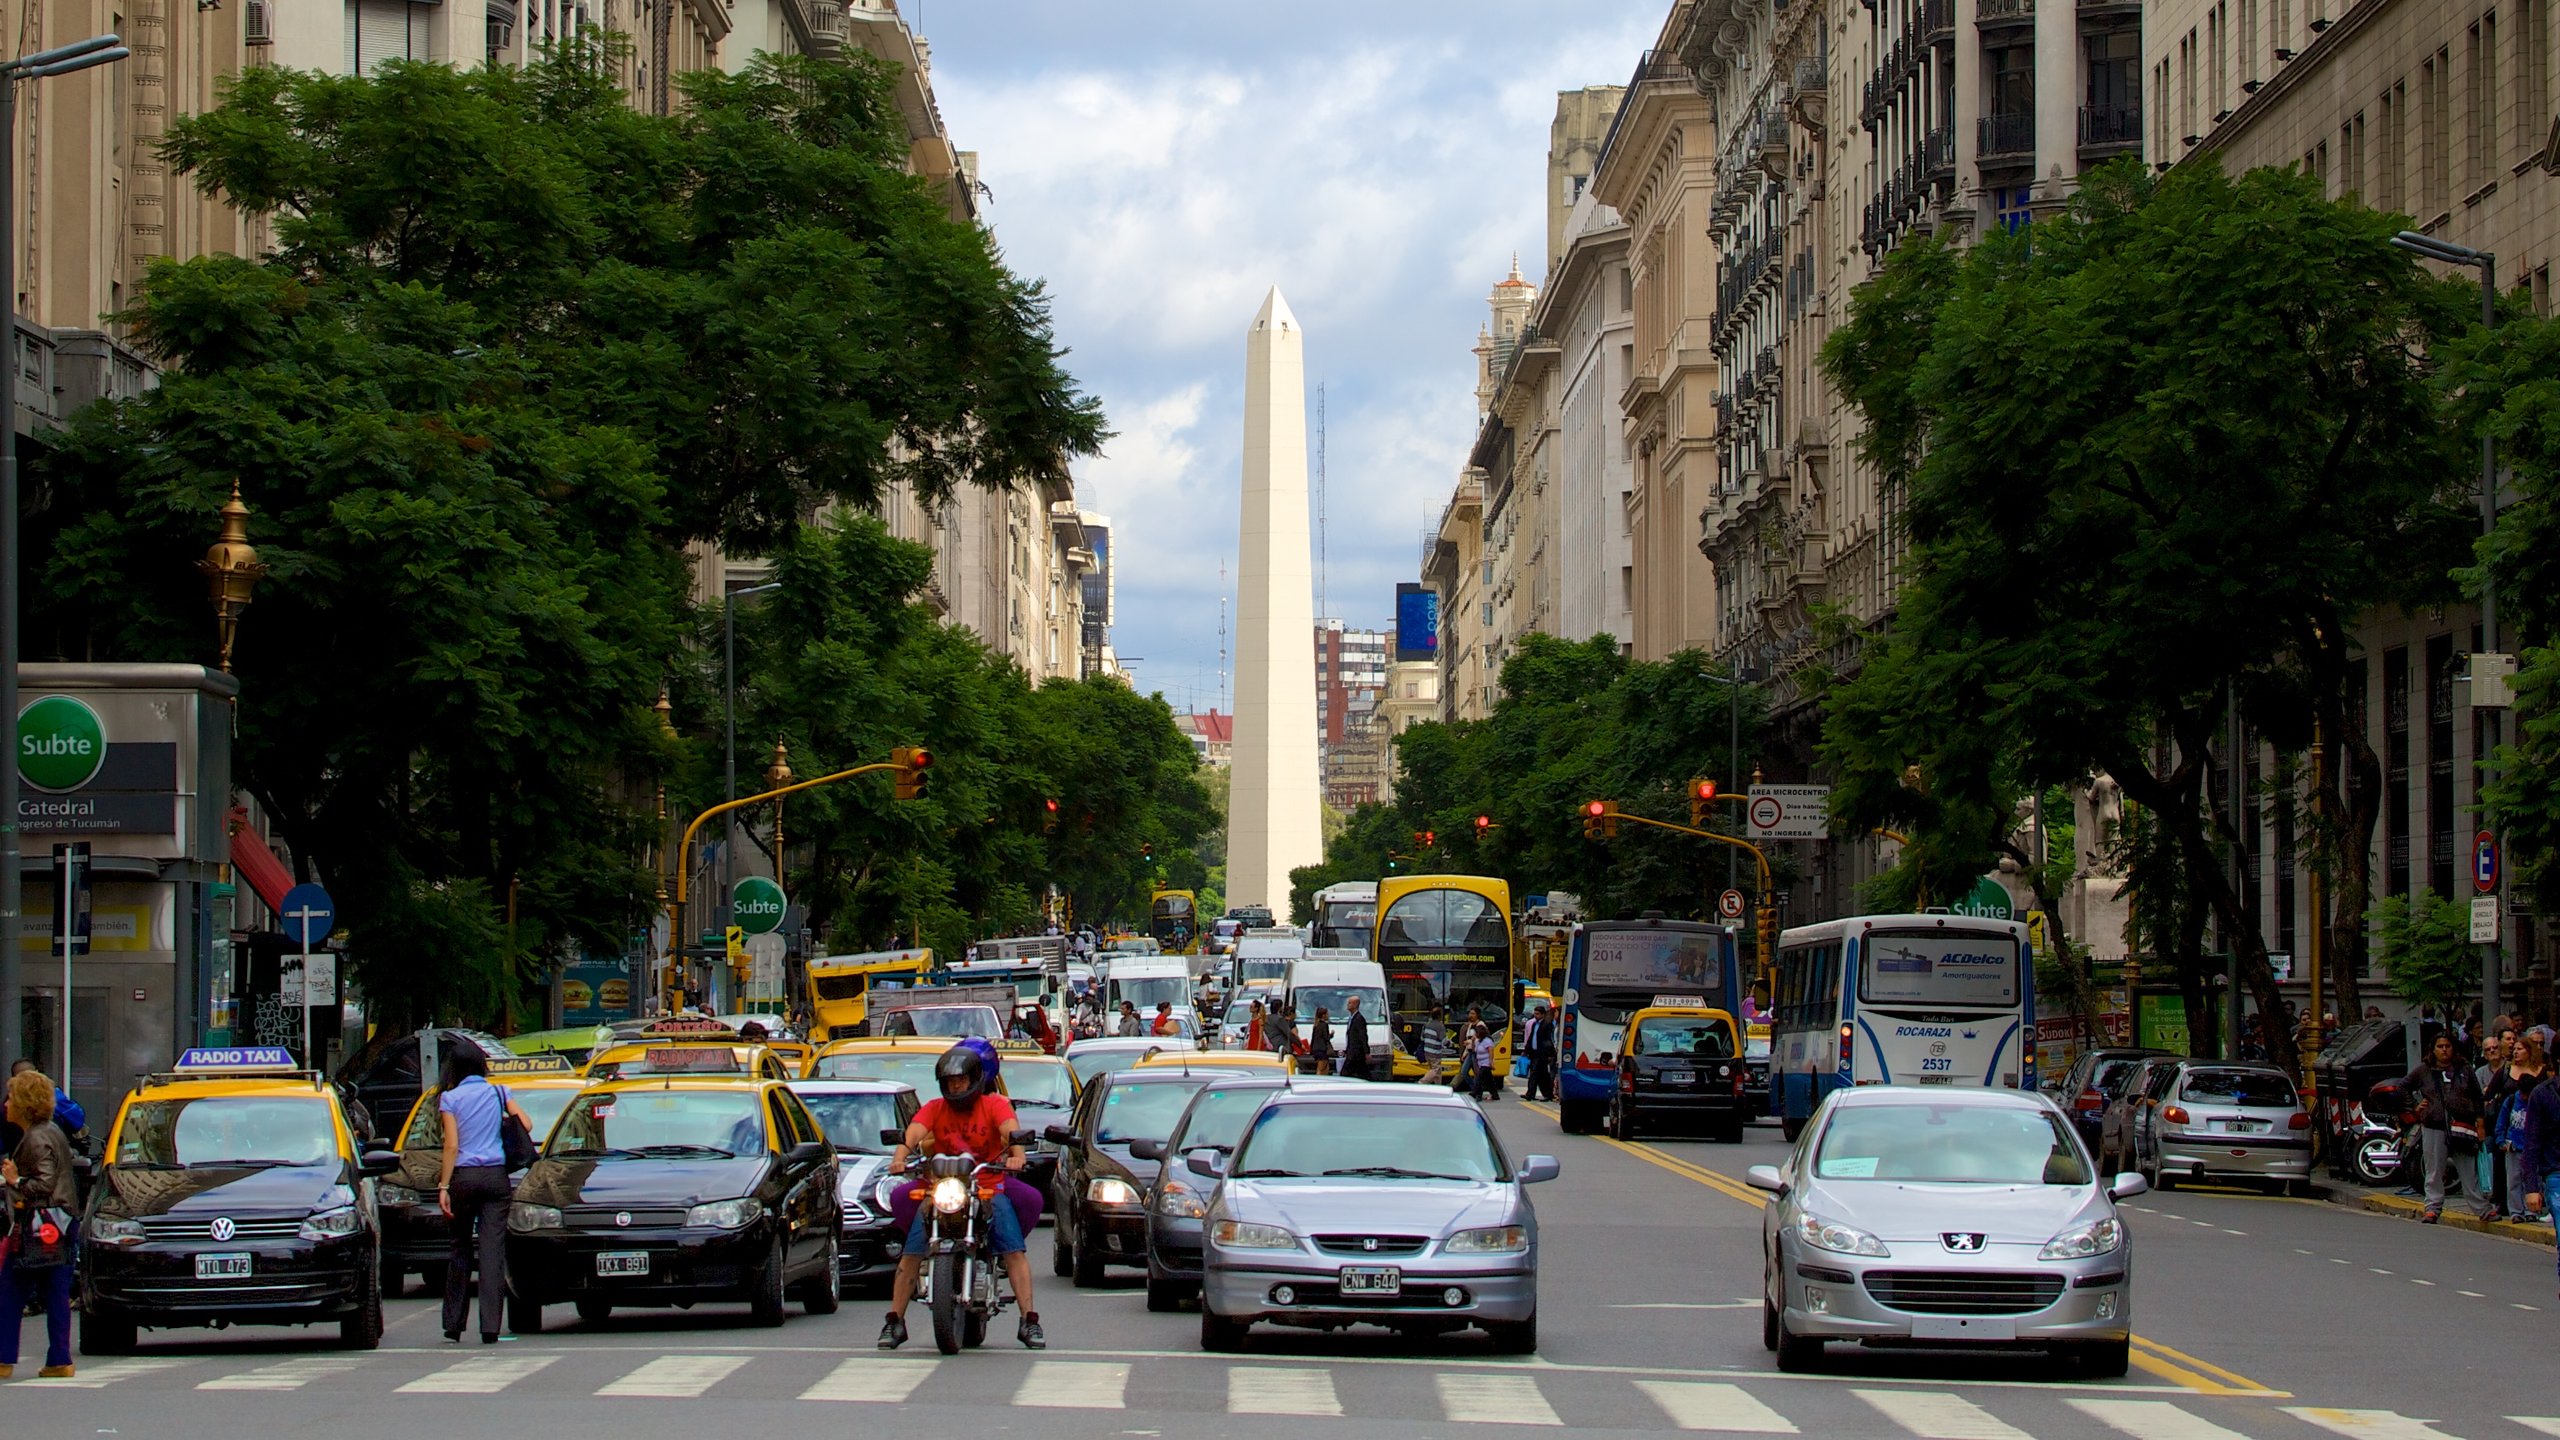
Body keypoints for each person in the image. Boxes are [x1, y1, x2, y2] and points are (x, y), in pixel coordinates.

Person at [880, 1041, 1042, 1350]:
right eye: (950, 1082)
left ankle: (1029, 1320)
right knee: (912, 1252)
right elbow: (914, 1132)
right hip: (942, 1188)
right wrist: (899, 1157)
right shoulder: (935, 1108)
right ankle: (894, 1321)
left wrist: (1016, 1155)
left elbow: (1010, 1131)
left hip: (987, 1186)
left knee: (1014, 1251)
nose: (955, 1087)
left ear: (975, 1080)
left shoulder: (994, 1104)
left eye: (961, 1081)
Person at [436, 1045, 533, 1344]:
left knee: (460, 1248)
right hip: (495, 1177)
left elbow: (451, 1146)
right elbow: (526, 1125)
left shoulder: (449, 1099)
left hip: (463, 1178)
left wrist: (444, 1186)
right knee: (493, 1251)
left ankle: (453, 1324)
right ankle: (490, 1326)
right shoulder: (499, 1092)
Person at [0, 1067, 78, 1378]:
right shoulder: (50, 1131)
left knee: (9, 1291)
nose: (5, 1104)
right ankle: (59, 1359)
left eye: (10, 1098)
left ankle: (4, 1357)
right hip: (59, 1223)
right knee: (56, 1292)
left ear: (22, 1102)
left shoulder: (35, 1138)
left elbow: (43, 1183)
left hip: (38, 1226)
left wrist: (13, 1179)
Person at [2404, 1031, 2490, 1223]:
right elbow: (2403, 1087)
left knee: (2468, 1170)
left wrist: (2480, 1123)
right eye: (2440, 1047)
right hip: (2434, 1125)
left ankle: (2481, 1208)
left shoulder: (2464, 1069)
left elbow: (2477, 1097)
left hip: (2462, 1126)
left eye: (2447, 1046)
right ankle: (2432, 1208)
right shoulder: (2423, 1070)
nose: (2444, 1050)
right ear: (2433, 1050)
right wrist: (2414, 1106)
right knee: (2434, 1169)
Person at [1523, 1004, 1558, 1102]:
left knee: (1534, 1074)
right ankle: (1547, 1094)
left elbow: (1548, 1040)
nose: (1535, 1016)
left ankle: (1531, 1093)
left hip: (1542, 1054)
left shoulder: (1546, 1024)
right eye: (1534, 1014)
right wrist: (1526, 1050)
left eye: (1537, 1014)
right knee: (1543, 1075)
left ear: (1543, 1014)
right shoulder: (1535, 1024)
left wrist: (1549, 1054)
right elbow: (1531, 1038)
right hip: (1534, 1053)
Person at [1342, 996, 1372, 1080]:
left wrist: (1366, 1052)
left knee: (1345, 1073)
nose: (1347, 1005)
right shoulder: (1352, 1018)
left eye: (1350, 1003)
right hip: (1352, 1052)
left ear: (1355, 1005)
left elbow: (1363, 1036)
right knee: (1362, 1072)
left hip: (1356, 1052)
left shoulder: (1359, 1019)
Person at [1470, 1024, 1500, 1101]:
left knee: (1479, 1078)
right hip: (1480, 1063)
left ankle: (1477, 1094)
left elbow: (1490, 1051)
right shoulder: (1478, 1041)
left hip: (1486, 1063)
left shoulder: (1487, 1040)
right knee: (1489, 1080)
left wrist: (1491, 1062)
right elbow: (1474, 1050)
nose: (1475, 1035)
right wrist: (1473, 1041)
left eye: (1476, 1033)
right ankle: (1494, 1094)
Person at [1307, 1007, 1335, 1076]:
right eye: (1327, 1014)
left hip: (1316, 1050)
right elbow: (1326, 1038)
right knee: (1322, 1069)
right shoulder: (1324, 1025)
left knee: (1323, 1067)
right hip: (1322, 1050)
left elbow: (1313, 1038)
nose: (1328, 1015)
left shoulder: (1316, 1025)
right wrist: (1331, 1035)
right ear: (1323, 1015)